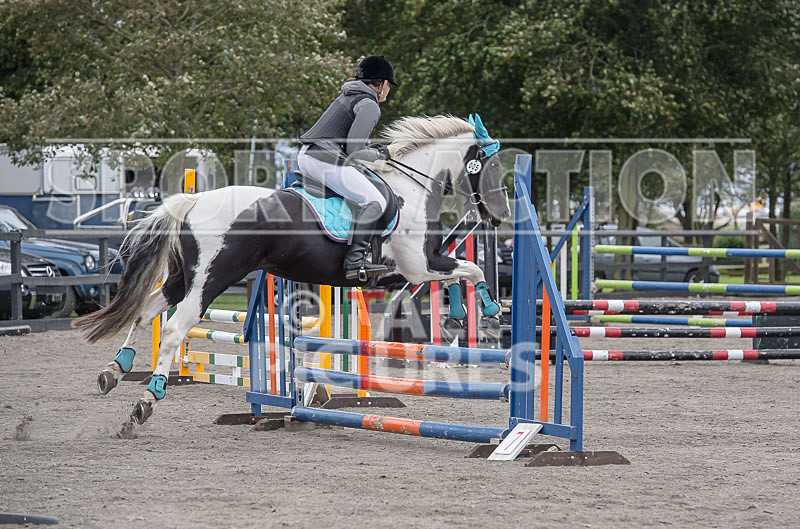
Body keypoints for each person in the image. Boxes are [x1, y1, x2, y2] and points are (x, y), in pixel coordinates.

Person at [297, 55, 397, 281]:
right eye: (388, 86)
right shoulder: (369, 104)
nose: (388, 91)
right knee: (375, 201)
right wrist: (380, 154)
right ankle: (355, 262)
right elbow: (354, 150)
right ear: (380, 85)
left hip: (310, 155)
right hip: (323, 159)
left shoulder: (350, 95)